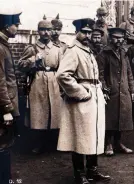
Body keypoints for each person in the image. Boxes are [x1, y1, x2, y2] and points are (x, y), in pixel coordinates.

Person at [56, 18, 110, 184]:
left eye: (89, 32)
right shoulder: (73, 50)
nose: (87, 35)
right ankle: (79, 174)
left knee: (93, 134)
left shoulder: (88, 50)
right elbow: (62, 75)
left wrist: (98, 89)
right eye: (84, 32)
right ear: (77, 32)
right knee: (80, 136)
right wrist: (81, 92)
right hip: (82, 99)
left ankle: (92, 171)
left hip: (94, 96)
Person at [17, 15, 62, 154]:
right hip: (38, 81)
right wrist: (34, 59)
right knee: (39, 113)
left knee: (55, 113)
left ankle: (54, 144)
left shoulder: (57, 48)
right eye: (43, 30)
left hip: (54, 81)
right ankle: (38, 144)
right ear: (38, 31)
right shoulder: (32, 48)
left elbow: (63, 68)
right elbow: (20, 66)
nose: (46, 33)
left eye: (49, 30)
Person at [96, 27, 134, 156]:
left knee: (123, 117)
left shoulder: (124, 53)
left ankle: (119, 143)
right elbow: (100, 75)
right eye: (115, 37)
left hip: (124, 90)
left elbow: (129, 72)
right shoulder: (103, 54)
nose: (118, 40)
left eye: (120, 38)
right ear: (110, 38)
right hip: (111, 90)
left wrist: (132, 90)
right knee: (110, 117)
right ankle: (108, 144)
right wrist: (104, 90)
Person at [0, 9, 21, 184]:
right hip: (2, 106)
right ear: (7, 26)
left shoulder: (3, 45)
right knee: (3, 144)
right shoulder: (0, 47)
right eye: (16, 23)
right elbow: (0, 81)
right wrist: (7, 109)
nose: (18, 26)